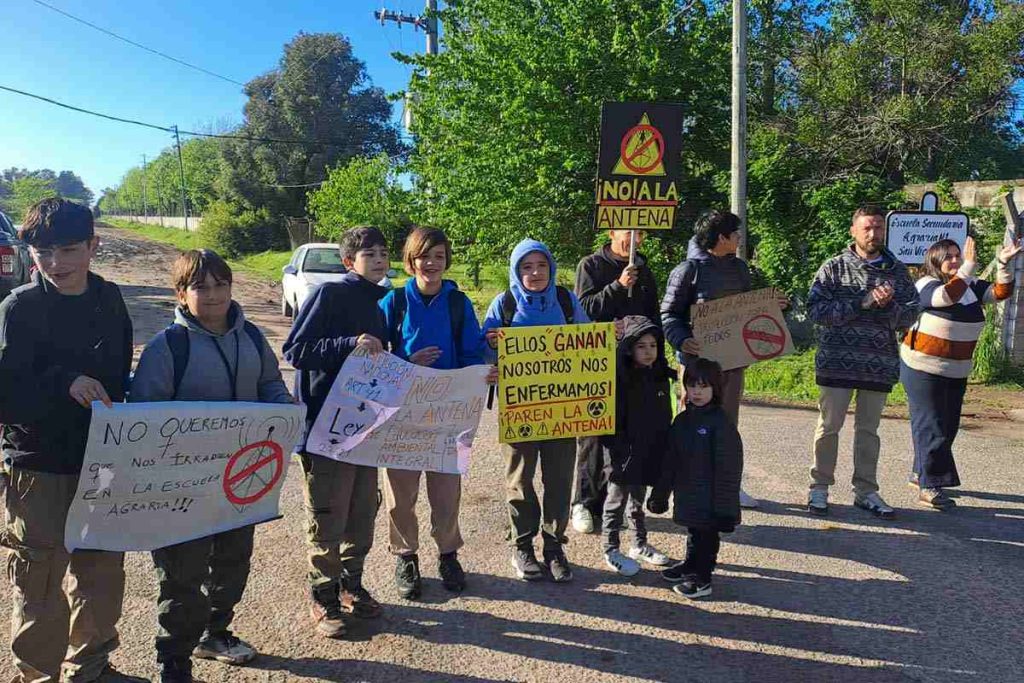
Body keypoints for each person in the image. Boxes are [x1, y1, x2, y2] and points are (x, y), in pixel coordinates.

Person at [129, 249, 292, 682]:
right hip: (182, 488)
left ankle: (215, 633)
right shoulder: (169, 348)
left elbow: (270, 383)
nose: (214, 294)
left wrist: (283, 407)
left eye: (221, 284)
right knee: (182, 575)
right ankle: (174, 660)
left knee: (233, 562)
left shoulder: (253, 337)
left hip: (241, 482)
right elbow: (146, 417)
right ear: (181, 295)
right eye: (201, 286)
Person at [0, 199, 140, 682]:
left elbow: (120, 375)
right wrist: (64, 381)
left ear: (93, 246)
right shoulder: (19, 308)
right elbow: (6, 395)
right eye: (42, 252)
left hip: (102, 462)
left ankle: (92, 667)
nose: (55, 263)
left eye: (68, 249)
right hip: (38, 466)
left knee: (101, 573)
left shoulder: (109, 298)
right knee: (38, 580)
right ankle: (37, 675)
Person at [283, 226, 390, 639]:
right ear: (349, 262)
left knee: (362, 513)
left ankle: (351, 585)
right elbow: (295, 350)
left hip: (364, 429)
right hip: (326, 431)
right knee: (327, 516)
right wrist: (348, 342)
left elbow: (382, 356)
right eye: (369, 254)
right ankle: (322, 595)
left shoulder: (381, 301)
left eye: (383, 253)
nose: (379, 260)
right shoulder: (330, 294)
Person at [380, 226, 494, 600]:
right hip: (402, 415)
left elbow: (472, 354)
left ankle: (448, 554)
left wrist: (483, 371)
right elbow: (374, 360)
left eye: (439, 256)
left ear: (447, 261)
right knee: (401, 494)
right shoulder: (393, 303)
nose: (431, 263)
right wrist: (406, 362)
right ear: (410, 260)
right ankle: (406, 556)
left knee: (446, 492)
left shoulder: (458, 304)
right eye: (424, 256)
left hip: (449, 414)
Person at [481, 239, 589, 583]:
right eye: (526, 267)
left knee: (559, 479)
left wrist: (608, 336)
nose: (535, 273)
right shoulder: (505, 304)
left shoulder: (566, 301)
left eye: (541, 265)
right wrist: (491, 348)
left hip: (562, 407)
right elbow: (482, 350)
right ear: (516, 270)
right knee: (520, 479)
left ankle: (555, 546)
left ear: (552, 268)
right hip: (519, 407)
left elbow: (589, 343)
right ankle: (523, 545)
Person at [661, 210, 783, 509]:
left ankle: (728, 486)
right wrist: (681, 339)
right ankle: (686, 484)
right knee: (692, 424)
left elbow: (749, 311)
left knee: (727, 426)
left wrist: (777, 307)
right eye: (736, 233)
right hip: (697, 365)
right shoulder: (687, 271)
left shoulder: (740, 269)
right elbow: (668, 314)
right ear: (721, 238)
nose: (740, 238)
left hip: (732, 364)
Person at [806, 205, 920, 518]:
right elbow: (817, 311)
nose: (874, 234)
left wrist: (887, 306)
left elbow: (911, 314)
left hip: (878, 363)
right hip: (836, 362)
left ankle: (866, 491)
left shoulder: (897, 271)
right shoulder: (833, 268)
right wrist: (863, 302)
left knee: (868, 431)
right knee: (829, 427)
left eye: (879, 228)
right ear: (853, 231)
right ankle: (819, 487)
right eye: (867, 228)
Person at [901, 236, 1021, 509]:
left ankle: (920, 472)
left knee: (948, 426)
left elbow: (1001, 292)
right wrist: (968, 267)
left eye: (958, 255)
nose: (955, 261)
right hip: (922, 368)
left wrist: (1003, 263)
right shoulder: (925, 284)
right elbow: (945, 297)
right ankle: (929, 487)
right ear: (935, 261)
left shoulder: (969, 287)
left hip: (956, 370)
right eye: (949, 257)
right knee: (930, 424)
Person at [571, 230, 661, 535]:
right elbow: (584, 309)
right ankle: (583, 503)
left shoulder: (645, 270)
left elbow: (653, 316)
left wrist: (657, 360)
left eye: (641, 233)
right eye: (628, 232)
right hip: (597, 362)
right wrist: (618, 286)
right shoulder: (591, 265)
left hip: (633, 367)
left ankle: (612, 502)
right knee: (593, 435)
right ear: (612, 232)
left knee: (626, 434)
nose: (635, 238)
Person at [648, 358, 743, 600]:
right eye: (692, 386)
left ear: (716, 389)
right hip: (688, 494)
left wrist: (725, 509)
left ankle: (702, 578)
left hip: (711, 499)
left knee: (706, 538)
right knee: (694, 533)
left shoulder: (721, 424)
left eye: (704, 386)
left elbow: (729, 470)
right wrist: (660, 495)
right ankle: (690, 565)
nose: (697, 392)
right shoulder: (682, 421)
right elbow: (669, 462)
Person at [600, 316, 673, 577]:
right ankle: (610, 549)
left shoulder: (661, 376)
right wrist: (617, 450)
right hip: (621, 454)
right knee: (616, 501)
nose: (648, 351)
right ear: (630, 348)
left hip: (648, 451)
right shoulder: (618, 379)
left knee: (637, 502)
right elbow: (609, 421)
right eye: (641, 346)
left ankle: (639, 544)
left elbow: (665, 415)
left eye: (653, 345)